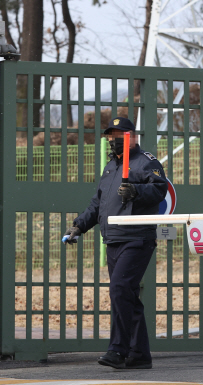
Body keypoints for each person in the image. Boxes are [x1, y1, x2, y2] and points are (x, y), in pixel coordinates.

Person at [62, 117, 167, 369]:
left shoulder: (146, 162)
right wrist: (79, 226)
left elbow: (160, 189)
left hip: (137, 237)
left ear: (132, 136)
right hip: (113, 239)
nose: (113, 140)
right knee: (127, 295)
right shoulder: (111, 167)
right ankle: (140, 355)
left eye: (119, 135)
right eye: (110, 135)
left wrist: (136, 192)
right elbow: (98, 203)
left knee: (120, 289)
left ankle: (117, 350)